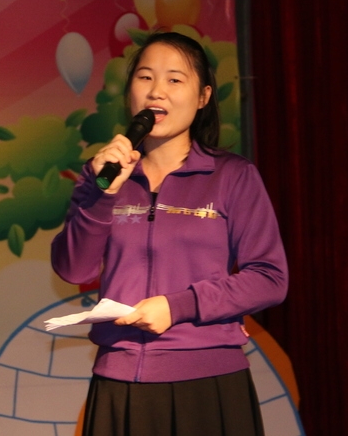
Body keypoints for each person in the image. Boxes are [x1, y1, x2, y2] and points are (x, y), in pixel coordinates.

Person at [51, 31, 288, 436]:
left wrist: (177, 306)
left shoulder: (232, 175)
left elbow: (270, 278)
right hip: (119, 379)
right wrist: (104, 195)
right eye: (145, 77)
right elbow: (73, 269)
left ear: (203, 96)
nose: (156, 91)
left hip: (209, 382)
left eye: (174, 79)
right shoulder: (101, 174)